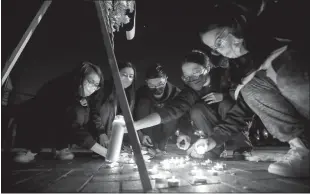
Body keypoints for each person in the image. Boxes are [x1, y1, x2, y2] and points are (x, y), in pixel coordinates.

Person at [194, 13, 309, 177]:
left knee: (284, 71)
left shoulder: (279, 34)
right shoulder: (240, 70)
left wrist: (272, 63)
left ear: (236, 26)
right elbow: (242, 110)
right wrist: (213, 140)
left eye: (219, 42)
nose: (220, 51)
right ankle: (304, 149)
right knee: (250, 88)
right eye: (215, 48)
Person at [132, 50, 252, 159]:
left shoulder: (225, 76)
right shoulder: (190, 91)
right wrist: (135, 126)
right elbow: (173, 110)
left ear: (208, 67)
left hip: (233, 117)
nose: (193, 78)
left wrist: (225, 96)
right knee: (196, 110)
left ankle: (241, 147)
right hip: (210, 122)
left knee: (225, 104)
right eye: (187, 76)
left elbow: (244, 102)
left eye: (196, 72)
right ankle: (213, 149)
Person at [14, 62, 109, 163]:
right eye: (90, 81)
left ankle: (60, 147)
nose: (93, 88)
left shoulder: (89, 94)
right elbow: (73, 125)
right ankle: (31, 149)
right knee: (66, 117)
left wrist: (101, 132)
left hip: (62, 120)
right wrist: (104, 152)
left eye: (96, 85)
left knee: (81, 115)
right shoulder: (60, 89)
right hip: (37, 116)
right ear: (80, 77)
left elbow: (93, 113)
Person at [135, 63, 190, 154]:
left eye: (160, 83)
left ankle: (164, 142)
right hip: (148, 130)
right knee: (143, 103)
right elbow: (132, 113)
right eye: (151, 85)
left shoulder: (177, 94)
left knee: (171, 109)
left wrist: (183, 132)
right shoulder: (141, 93)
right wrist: (140, 134)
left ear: (166, 79)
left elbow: (185, 115)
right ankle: (148, 142)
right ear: (146, 82)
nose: (156, 88)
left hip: (169, 130)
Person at [92, 61, 137, 149]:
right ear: (115, 74)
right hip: (98, 131)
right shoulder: (104, 89)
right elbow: (94, 112)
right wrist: (101, 133)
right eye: (124, 74)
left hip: (113, 133)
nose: (127, 78)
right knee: (109, 107)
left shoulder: (129, 94)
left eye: (131, 76)